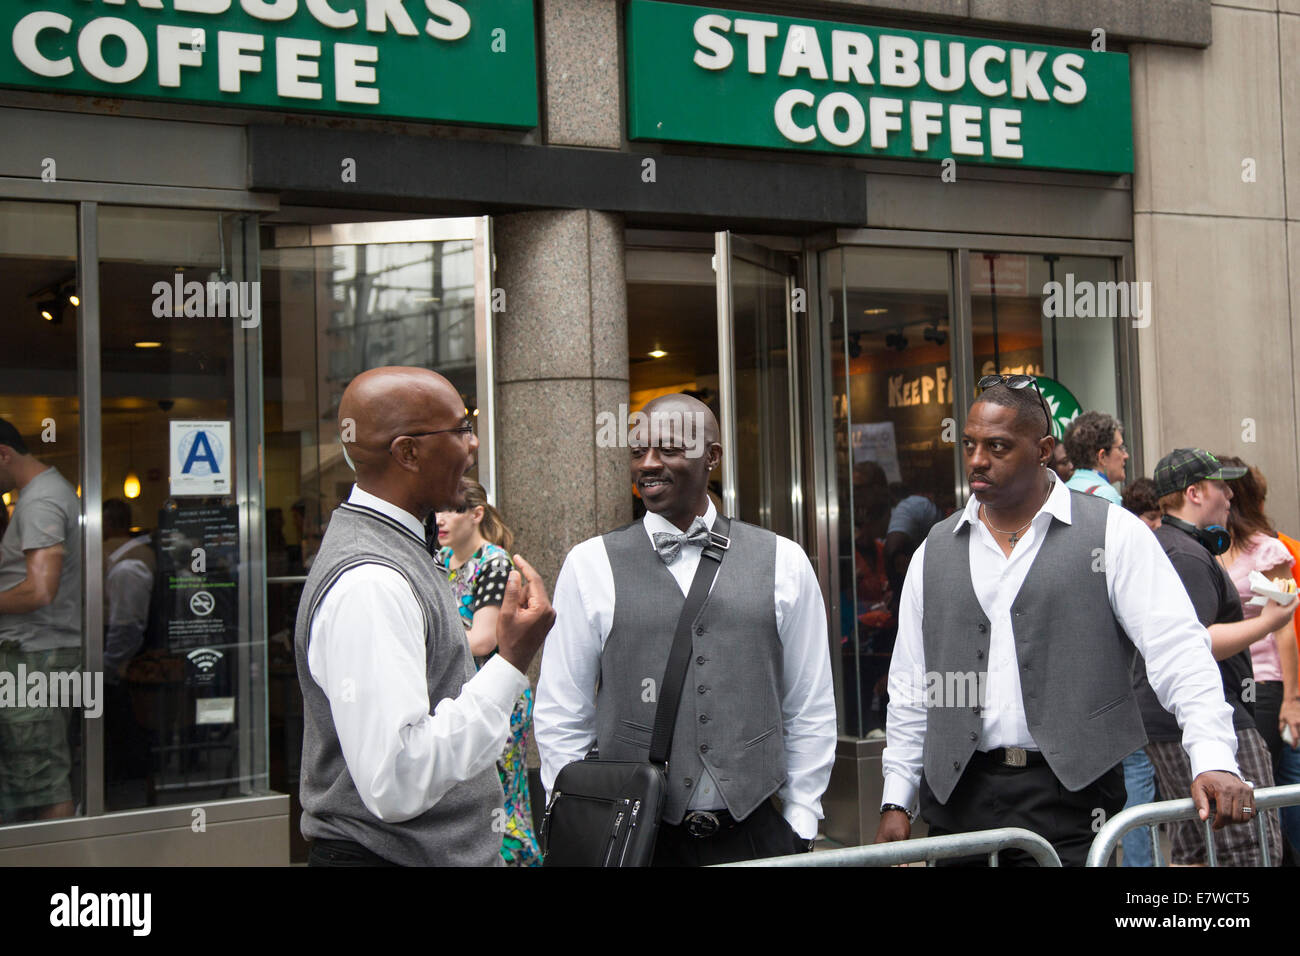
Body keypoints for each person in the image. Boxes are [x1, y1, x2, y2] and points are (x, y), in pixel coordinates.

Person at [876, 381, 1257, 867]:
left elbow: (1179, 650)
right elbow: (911, 685)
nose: (976, 460)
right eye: (969, 444)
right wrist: (896, 797)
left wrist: (1213, 756)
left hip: (1072, 801)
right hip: (958, 798)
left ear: (1042, 451)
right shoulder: (935, 548)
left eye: (997, 446)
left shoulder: (1113, 533)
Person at [535, 393, 837, 866]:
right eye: (638, 452)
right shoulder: (589, 563)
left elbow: (809, 705)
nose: (649, 464)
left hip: (757, 832)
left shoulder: (784, 560)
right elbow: (562, 711)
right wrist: (582, 816)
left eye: (669, 449)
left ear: (712, 456)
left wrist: (800, 820)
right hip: (636, 837)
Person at [294, 367, 554, 866]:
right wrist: (510, 660)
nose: (473, 443)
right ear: (407, 452)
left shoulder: (399, 548)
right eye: (459, 429)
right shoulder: (371, 581)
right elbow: (397, 780)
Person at [1136, 448, 1291, 866]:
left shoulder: (1172, 546)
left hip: (1178, 721)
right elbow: (1196, 641)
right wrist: (1270, 620)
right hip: (1208, 721)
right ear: (1195, 493)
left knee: (1196, 849)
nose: (1229, 496)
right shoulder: (1185, 555)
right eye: (1222, 486)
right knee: (1249, 848)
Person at [430, 480, 539, 867]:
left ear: (476, 514)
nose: (440, 519)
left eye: (452, 510)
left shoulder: (494, 562)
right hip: (461, 695)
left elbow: (482, 639)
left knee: (502, 796)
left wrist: (430, 631)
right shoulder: (441, 560)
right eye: (438, 510)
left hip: (495, 697)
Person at [1214, 455, 1300, 862]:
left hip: (1264, 683)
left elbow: (1284, 626)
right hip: (1224, 685)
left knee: (1259, 789)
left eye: (1226, 487)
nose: (1222, 494)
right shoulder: (1211, 547)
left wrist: (1291, 700)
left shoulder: (1267, 549)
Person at [0, 417, 83, 823]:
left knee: (42, 780)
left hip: (36, 656)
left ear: (3, 454)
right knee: (30, 775)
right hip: (38, 655)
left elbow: (39, 590)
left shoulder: (41, 501)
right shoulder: (45, 494)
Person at [1112, 476, 1164, 866]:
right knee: (1137, 785)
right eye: (1151, 517)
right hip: (1134, 704)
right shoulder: (1129, 549)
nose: (1157, 526)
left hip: (1130, 701)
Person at [1063, 410, 1128, 504]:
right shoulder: (1106, 495)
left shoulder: (1060, 493)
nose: (1126, 455)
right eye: (1120, 448)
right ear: (1102, 457)